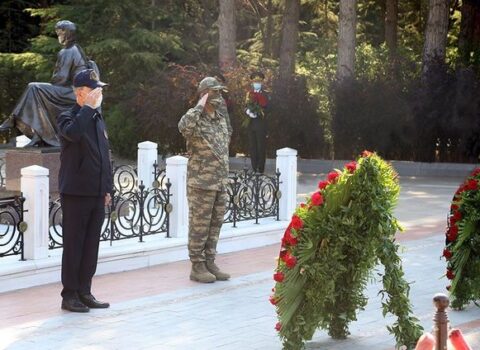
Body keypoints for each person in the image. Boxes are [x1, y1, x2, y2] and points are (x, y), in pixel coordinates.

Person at [57, 68, 112, 312]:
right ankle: (69, 295)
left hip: (96, 193)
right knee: (74, 245)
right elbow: (73, 134)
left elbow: (104, 156)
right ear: (81, 93)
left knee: (91, 246)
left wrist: (107, 188)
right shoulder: (66, 117)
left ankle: (84, 291)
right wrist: (88, 109)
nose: (99, 93)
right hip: (76, 193)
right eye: (95, 90)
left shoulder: (98, 119)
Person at [0, 20, 88, 147]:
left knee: (34, 87)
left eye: (59, 34)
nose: (58, 37)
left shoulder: (68, 51)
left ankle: (13, 120)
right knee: (36, 92)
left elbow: (61, 78)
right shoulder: (76, 48)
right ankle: (38, 135)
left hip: (73, 92)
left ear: (67, 34)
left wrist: (53, 79)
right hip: (75, 91)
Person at [178, 77, 232, 283]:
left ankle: (210, 261)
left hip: (219, 182)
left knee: (215, 224)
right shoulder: (195, 119)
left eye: (220, 93)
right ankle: (197, 265)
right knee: (199, 225)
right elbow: (182, 127)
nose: (219, 97)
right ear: (205, 94)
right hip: (201, 183)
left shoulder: (220, 118)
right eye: (214, 93)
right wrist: (199, 105)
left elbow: (226, 140)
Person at [245, 71, 269, 173]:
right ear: (252, 82)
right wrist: (248, 111)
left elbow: (269, 108)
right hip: (251, 123)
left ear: (262, 82)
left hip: (261, 124)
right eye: (255, 81)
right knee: (252, 146)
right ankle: (254, 167)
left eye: (259, 81)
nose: (257, 83)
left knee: (261, 146)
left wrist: (259, 112)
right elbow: (245, 105)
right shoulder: (249, 93)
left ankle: (261, 168)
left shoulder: (266, 94)